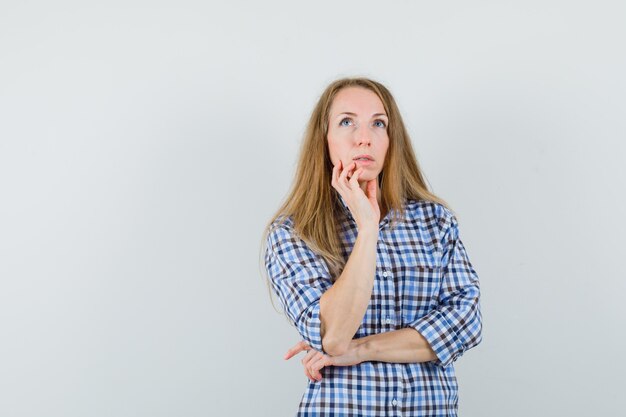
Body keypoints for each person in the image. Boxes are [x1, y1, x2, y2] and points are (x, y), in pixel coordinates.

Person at [261, 76, 483, 416]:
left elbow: (465, 323)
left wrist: (362, 348)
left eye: (378, 124)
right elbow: (333, 337)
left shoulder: (435, 221)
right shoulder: (294, 232)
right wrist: (368, 229)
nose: (364, 138)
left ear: (392, 140)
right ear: (325, 140)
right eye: (347, 122)